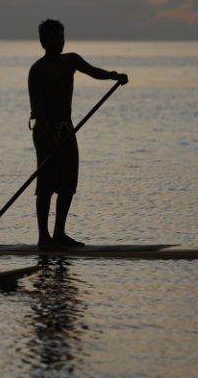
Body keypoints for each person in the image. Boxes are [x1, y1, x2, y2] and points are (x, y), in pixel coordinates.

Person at [28, 19, 128, 251]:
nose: (59, 42)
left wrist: (115, 76)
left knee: (68, 184)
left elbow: (93, 72)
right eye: (54, 38)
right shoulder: (38, 70)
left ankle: (59, 233)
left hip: (67, 130)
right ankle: (44, 237)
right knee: (46, 186)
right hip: (45, 133)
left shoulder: (71, 60)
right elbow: (38, 110)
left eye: (62, 37)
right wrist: (51, 139)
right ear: (43, 42)